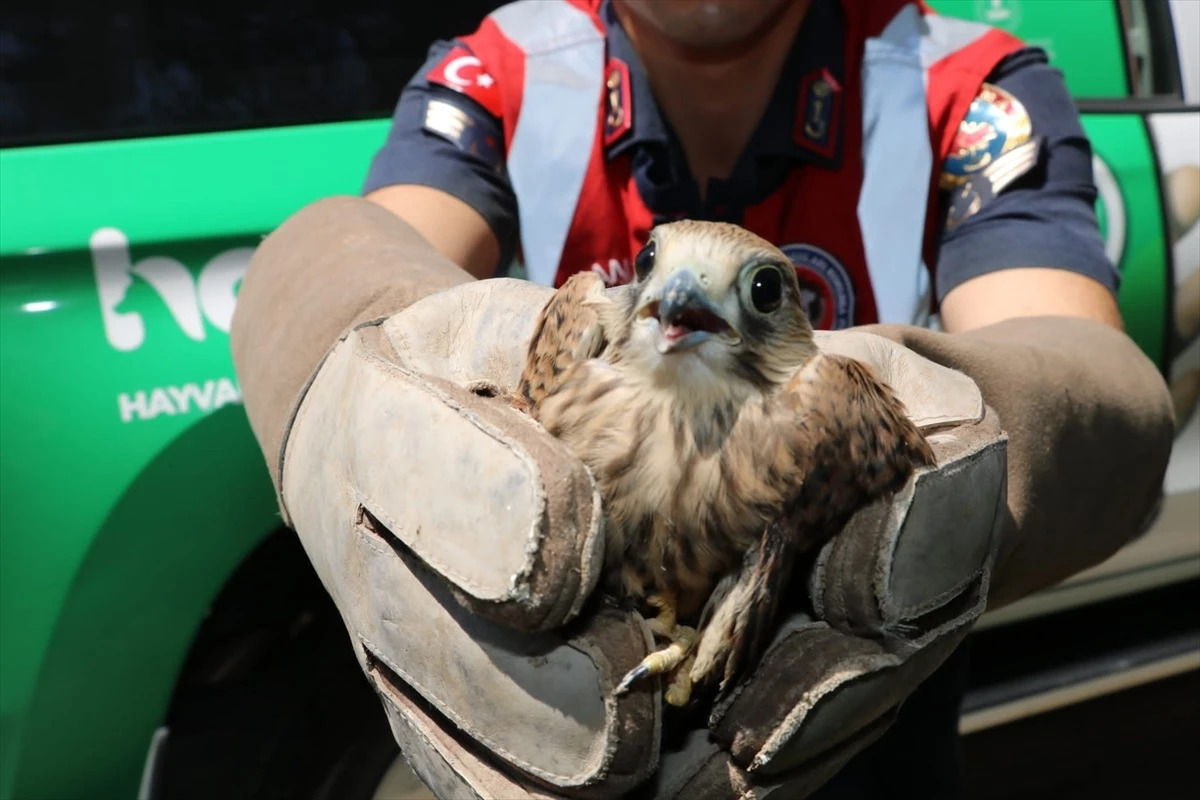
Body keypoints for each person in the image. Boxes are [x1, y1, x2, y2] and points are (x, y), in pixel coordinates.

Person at [229, 1, 1176, 797]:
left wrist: (902, 442)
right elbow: (363, 265)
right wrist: (344, 384)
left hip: (863, 716)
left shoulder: (966, 83)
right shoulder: (510, 65)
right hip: (561, 687)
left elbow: (1093, 384)